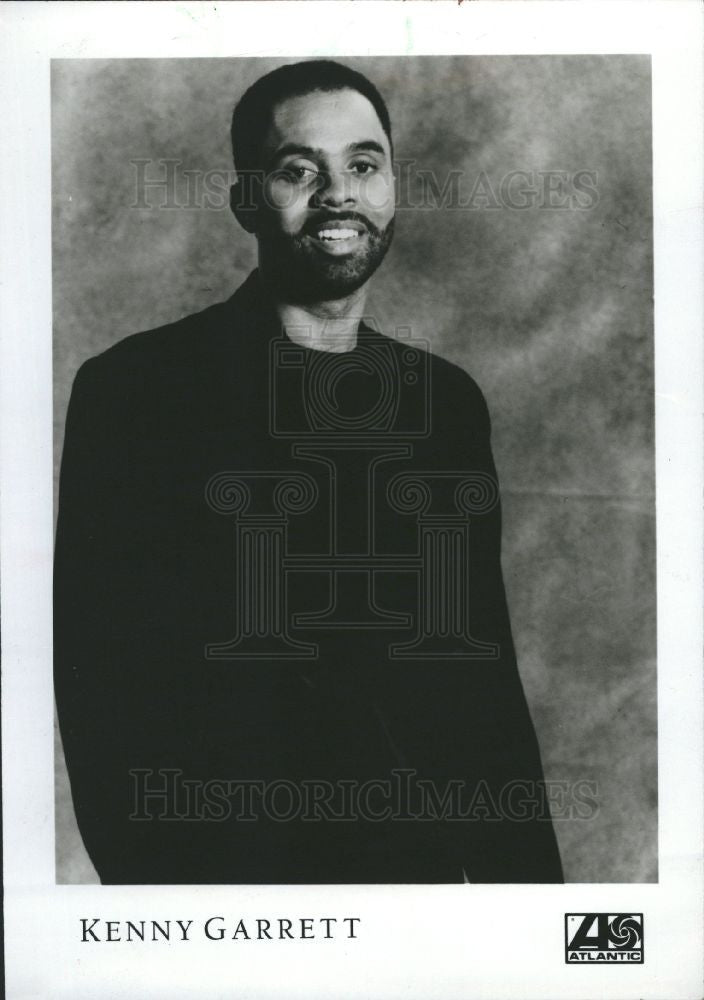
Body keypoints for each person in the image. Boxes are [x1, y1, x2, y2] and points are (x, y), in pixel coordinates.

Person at [54, 60, 563, 884]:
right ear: (247, 198)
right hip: (228, 883)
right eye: (299, 169)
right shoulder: (138, 391)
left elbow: (480, 685)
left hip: (416, 890)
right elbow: (101, 683)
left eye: (364, 166)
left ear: (394, 187)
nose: (338, 195)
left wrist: (534, 915)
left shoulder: (445, 403)